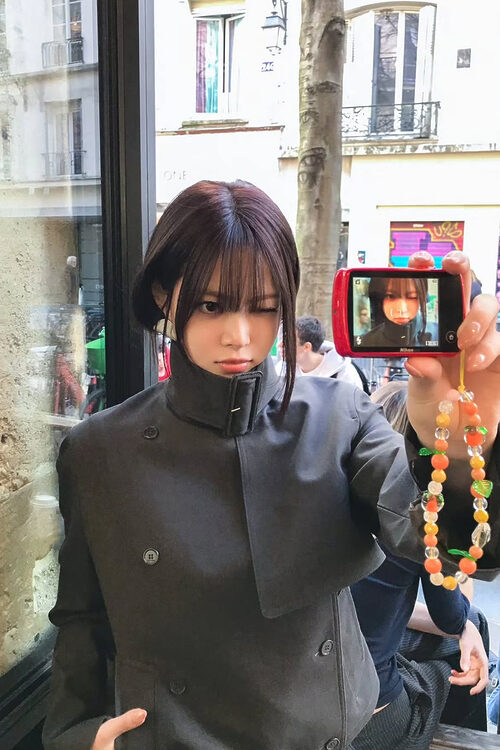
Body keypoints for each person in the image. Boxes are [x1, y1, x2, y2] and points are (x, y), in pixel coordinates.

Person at [42, 180, 500, 750]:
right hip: (171, 735)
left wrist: (458, 450)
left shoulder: (340, 416)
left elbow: (448, 547)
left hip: (324, 733)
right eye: (211, 305)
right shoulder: (99, 449)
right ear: (163, 294)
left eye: (263, 308)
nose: (239, 336)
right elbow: (82, 616)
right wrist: (77, 735)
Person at [350, 382, 490, 750]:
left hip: (310, 678)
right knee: (460, 659)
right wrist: (464, 623)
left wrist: (462, 626)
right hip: (369, 716)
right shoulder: (418, 510)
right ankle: (470, 737)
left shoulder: (332, 490)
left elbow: (369, 598)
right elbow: (451, 615)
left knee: (470, 626)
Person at [360, 276, 437, 348]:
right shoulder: (364, 342)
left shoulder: (437, 334)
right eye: (390, 296)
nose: (402, 310)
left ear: (423, 299)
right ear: (379, 301)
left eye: (412, 297)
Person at [294, 315, 367, 391]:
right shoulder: (286, 372)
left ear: (307, 347)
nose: (284, 345)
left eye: (289, 341)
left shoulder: (344, 375)